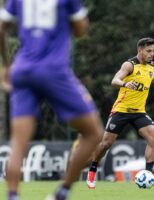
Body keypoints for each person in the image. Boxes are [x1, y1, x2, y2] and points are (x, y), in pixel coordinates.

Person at [0, 1, 104, 200]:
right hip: (53, 71)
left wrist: (6, 64)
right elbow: (81, 29)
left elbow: (1, 28)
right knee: (93, 132)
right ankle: (61, 193)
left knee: (18, 143)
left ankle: (13, 196)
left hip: (22, 70)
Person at [86, 37, 154, 189]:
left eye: (153, 51)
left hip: (139, 112)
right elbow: (115, 80)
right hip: (121, 111)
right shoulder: (130, 65)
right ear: (140, 50)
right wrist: (125, 83)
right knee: (106, 143)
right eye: (148, 51)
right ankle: (93, 169)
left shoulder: (151, 66)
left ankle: (149, 174)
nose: (151, 54)